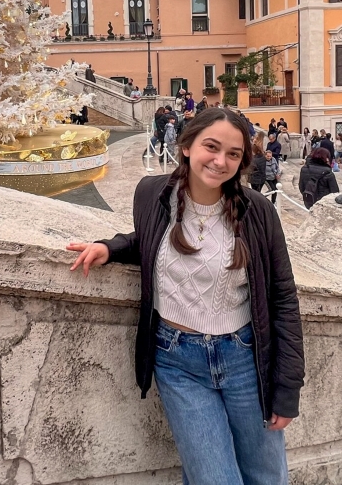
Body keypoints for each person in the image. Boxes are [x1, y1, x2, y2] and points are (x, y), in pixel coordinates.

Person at [66, 108, 305, 485]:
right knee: (214, 478)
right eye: (211, 146)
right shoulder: (152, 193)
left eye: (233, 154)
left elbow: (284, 300)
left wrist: (287, 389)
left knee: (266, 476)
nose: (220, 160)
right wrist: (111, 247)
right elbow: (150, 238)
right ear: (188, 145)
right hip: (177, 362)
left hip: (245, 360)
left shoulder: (258, 212)